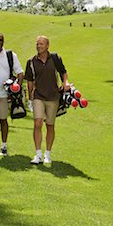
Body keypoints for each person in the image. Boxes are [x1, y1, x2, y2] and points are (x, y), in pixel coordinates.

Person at [25, 35, 70, 165]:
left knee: (50, 125)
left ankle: (47, 154)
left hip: (53, 97)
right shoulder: (31, 61)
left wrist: (65, 83)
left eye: (41, 44)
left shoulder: (55, 58)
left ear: (47, 46)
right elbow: (30, 81)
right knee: (37, 123)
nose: (39, 46)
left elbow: (63, 72)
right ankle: (38, 154)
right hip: (38, 96)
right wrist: (30, 99)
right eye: (37, 44)